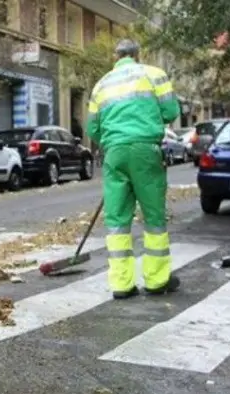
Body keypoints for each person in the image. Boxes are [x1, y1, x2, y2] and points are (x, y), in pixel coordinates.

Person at [86, 39, 181, 300]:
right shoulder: (154, 75)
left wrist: (114, 135)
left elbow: (92, 129)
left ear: (115, 57)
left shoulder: (101, 85)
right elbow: (171, 110)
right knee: (154, 218)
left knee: (117, 220)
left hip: (114, 154)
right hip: (145, 151)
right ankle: (156, 279)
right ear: (138, 56)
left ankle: (121, 283)